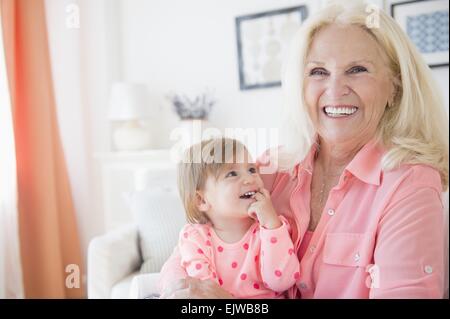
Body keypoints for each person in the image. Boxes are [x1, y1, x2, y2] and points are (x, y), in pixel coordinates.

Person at [159, 0, 448, 298]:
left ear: (394, 88)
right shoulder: (272, 167)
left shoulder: (409, 184)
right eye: (319, 72)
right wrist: (182, 292)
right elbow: (185, 254)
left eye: (357, 69)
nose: (335, 90)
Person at [159, 138, 300, 298]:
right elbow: (204, 293)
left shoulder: (271, 229)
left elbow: (282, 281)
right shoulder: (195, 237)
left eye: (252, 170)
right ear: (202, 200)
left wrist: (271, 224)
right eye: (232, 174)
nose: (249, 179)